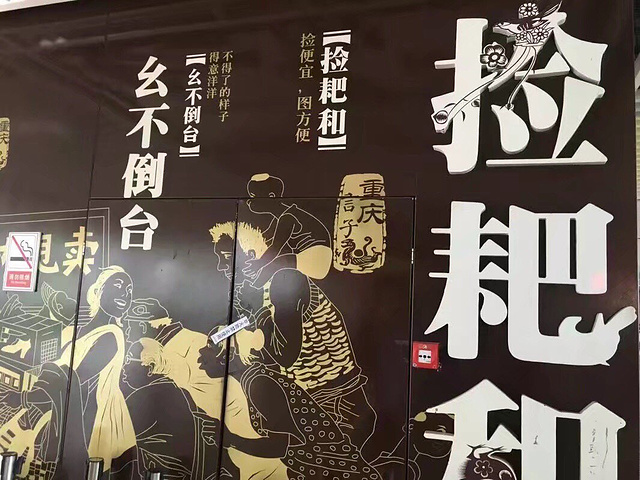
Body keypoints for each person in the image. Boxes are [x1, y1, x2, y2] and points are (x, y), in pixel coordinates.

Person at [210, 222, 376, 452]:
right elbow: (244, 322)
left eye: (227, 258)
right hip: (313, 402)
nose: (221, 266)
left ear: (250, 256)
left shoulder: (285, 280)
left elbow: (285, 355)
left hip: (338, 406)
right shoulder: (259, 288)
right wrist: (222, 334)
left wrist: (255, 321)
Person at [197, 337, 383, 480]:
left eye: (210, 346)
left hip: (339, 472)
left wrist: (230, 440)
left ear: (228, 355)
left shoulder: (260, 383)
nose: (201, 352)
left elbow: (282, 445)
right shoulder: (254, 380)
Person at [243, 173, 332, 288]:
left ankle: (253, 288)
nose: (249, 201)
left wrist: (259, 264)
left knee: (277, 263)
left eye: (253, 196)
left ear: (271, 196)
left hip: (318, 257)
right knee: (276, 262)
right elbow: (267, 239)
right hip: (314, 256)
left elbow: (276, 247)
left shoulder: (288, 217)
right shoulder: (282, 217)